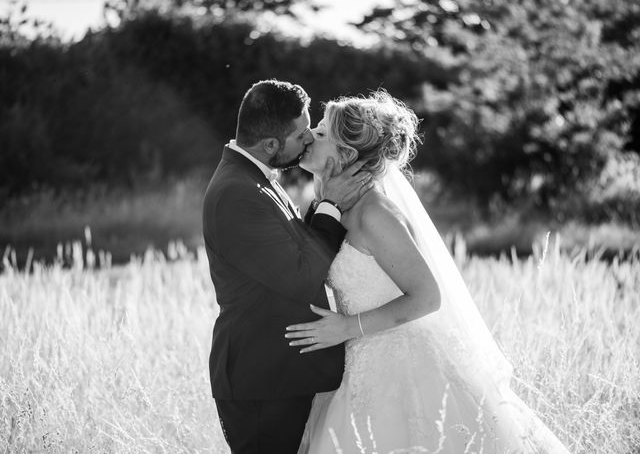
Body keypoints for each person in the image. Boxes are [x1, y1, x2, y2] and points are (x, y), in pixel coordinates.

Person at [287, 91, 571, 453]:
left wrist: (347, 327)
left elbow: (427, 296)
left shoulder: (376, 214)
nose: (310, 134)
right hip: (358, 365)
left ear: (347, 154)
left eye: (323, 132)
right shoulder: (334, 206)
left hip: (403, 370)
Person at [202, 79, 372, 453]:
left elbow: (292, 246)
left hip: (277, 373)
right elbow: (300, 276)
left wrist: (323, 202)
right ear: (271, 145)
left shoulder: (254, 176)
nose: (310, 139)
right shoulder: (236, 193)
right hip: (261, 380)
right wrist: (332, 206)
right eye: (300, 135)